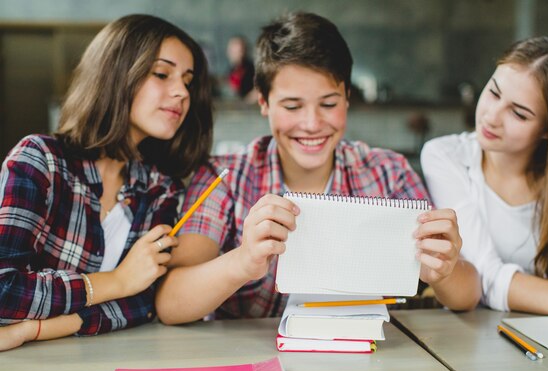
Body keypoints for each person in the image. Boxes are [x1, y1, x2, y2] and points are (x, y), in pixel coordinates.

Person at [156, 12, 481, 324]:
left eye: (328, 104)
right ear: (263, 102)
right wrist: (243, 261)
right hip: (251, 363)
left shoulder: (388, 173)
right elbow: (170, 303)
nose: (311, 124)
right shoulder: (225, 179)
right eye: (292, 106)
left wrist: (443, 269)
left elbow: (467, 295)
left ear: (347, 98)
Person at [0, 14, 213, 351]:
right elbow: (4, 291)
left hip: (97, 363)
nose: (181, 92)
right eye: (162, 74)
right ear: (116, 73)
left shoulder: (161, 189)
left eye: (187, 81)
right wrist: (117, 281)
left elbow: (144, 301)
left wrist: (35, 329)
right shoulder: (41, 160)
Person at [420, 36, 548, 326]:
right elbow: (485, 279)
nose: (492, 117)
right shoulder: (446, 156)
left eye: (518, 113)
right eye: (493, 92)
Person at [226, 35, 255, 100]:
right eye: (233, 51)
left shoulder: (252, 69)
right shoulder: (231, 70)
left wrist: (248, 100)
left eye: (240, 51)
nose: (237, 54)